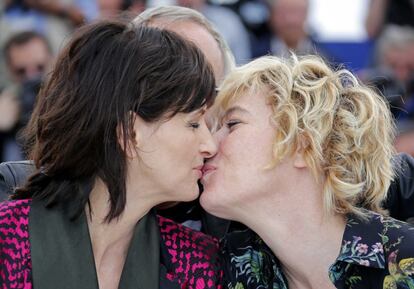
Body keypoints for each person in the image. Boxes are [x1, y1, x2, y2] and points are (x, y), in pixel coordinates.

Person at [0, 18, 223, 288]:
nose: (209, 145)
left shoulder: (198, 263)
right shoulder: (8, 240)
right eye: (193, 123)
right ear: (130, 132)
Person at [200, 55, 414, 288]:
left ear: (304, 145)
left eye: (232, 124)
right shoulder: (227, 268)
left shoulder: (405, 262)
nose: (209, 145)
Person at [0, 30, 54, 162]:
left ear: (53, 62)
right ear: (9, 70)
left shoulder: (71, 99)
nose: (31, 77)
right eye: (21, 71)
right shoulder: (6, 102)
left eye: (39, 67)